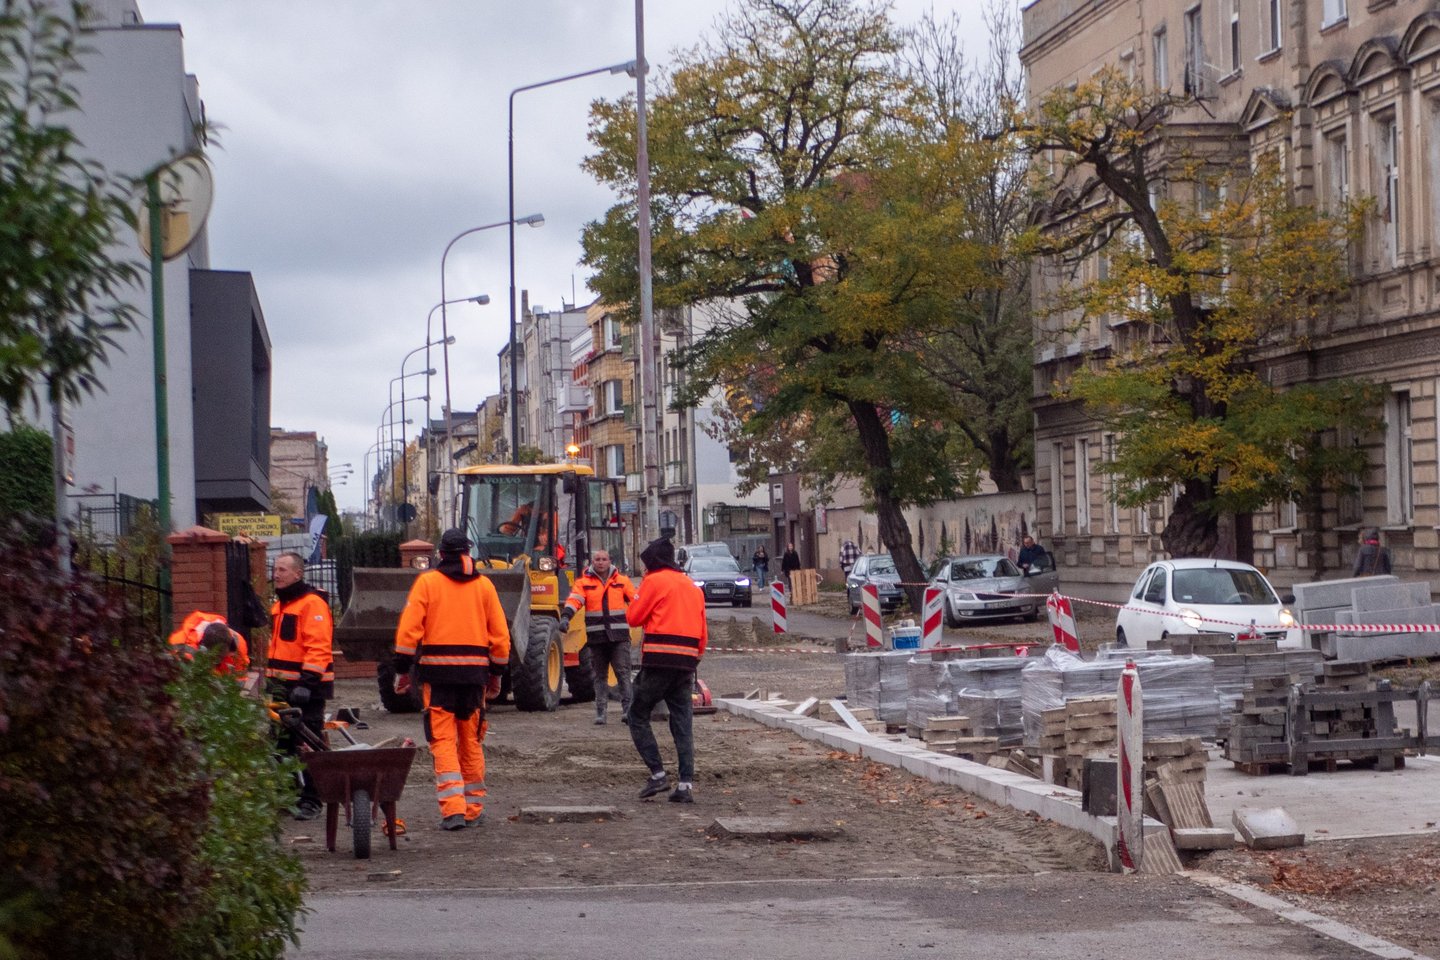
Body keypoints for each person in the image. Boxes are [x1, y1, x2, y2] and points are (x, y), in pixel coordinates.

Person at [393, 528, 511, 831]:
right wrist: (496, 674)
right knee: (471, 741)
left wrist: (402, 668)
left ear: (441, 554)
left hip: (438, 676)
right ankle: (473, 808)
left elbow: (409, 630)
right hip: (474, 678)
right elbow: (500, 637)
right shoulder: (484, 586)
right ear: (468, 553)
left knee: (443, 741)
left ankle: (453, 811)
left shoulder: (428, 583)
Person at [626, 537, 707, 804]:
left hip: (659, 661)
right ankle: (685, 785)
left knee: (637, 714)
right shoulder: (692, 587)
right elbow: (703, 634)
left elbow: (633, 617)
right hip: (686, 664)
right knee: (682, 723)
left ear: (652, 561)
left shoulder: (653, 581)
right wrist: (692, 659)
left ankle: (658, 774)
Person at [266, 552, 334, 821]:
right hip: (283, 686)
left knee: (307, 743)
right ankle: (291, 795)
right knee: (283, 743)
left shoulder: (311, 605)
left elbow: (318, 647)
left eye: (282, 569)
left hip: (306, 688)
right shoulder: (281, 606)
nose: (276, 574)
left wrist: (307, 683)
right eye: (275, 569)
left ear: (298, 574)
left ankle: (312, 800)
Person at [563, 548, 636, 725]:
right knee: (600, 676)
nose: (601, 562)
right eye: (597, 559)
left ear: (609, 561)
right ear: (592, 562)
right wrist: (566, 617)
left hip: (619, 637)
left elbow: (636, 601)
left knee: (623, 674)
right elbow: (575, 600)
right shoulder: (584, 583)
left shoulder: (622, 581)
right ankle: (601, 712)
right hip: (597, 637)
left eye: (604, 559)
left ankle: (628, 710)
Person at [168, 609, 250, 676]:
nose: (219, 661)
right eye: (216, 658)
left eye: (222, 657)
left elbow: (240, 677)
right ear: (203, 649)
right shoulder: (179, 646)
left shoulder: (239, 645)